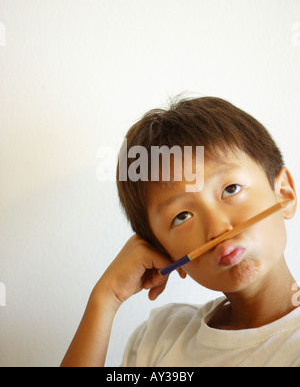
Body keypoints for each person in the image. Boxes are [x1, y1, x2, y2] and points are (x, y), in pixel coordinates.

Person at [61, 96, 300, 367]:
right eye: (182, 216)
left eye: (230, 189)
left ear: (283, 195)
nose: (217, 228)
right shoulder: (160, 337)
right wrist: (106, 298)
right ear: (168, 255)